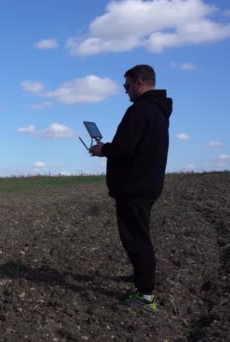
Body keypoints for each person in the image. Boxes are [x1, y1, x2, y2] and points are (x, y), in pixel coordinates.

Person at [89, 64, 172, 310]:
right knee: (139, 235)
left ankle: (146, 296)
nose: (125, 91)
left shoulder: (140, 110)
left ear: (138, 82)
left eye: (126, 85)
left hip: (134, 187)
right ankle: (142, 276)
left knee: (136, 239)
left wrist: (102, 149)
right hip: (147, 184)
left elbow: (124, 149)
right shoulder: (159, 111)